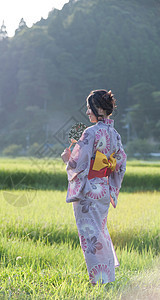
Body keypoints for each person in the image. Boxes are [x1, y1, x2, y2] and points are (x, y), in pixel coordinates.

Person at [61, 89, 127, 285]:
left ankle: (98, 280)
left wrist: (67, 160)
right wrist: (111, 185)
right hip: (103, 189)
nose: (87, 112)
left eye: (89, 108)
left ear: (99, 108)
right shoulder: (115, 134)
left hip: (88, 190)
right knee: (100, 232)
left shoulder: (90, 132)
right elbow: (121, 163)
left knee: (90, 237)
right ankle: (107, 277)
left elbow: (79, 163)